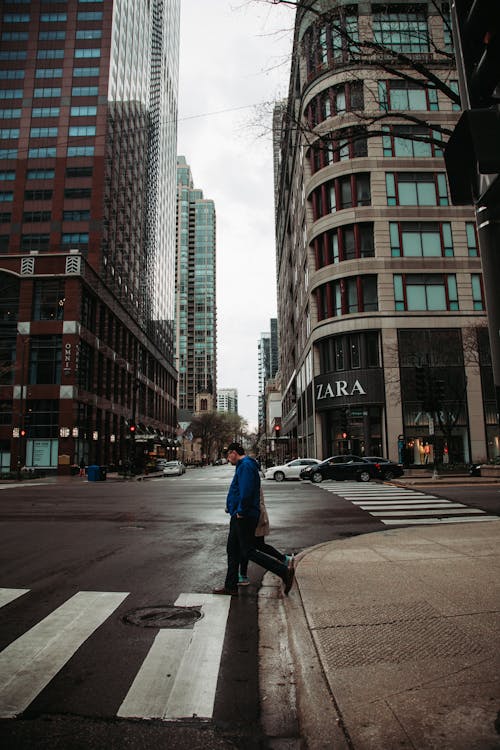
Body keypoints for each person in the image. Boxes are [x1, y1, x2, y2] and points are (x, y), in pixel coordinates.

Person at [213, 442, 295, 596]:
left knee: (248, 551)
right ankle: (230, 586)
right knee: (233, 550)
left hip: (244, 516)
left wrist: (241, 511)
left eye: (227, 455)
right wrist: (231, 506)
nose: (227, 458)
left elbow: (247, 492)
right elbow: (239, 491)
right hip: (239, 514)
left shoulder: (245, 466)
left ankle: (284, 571)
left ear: (233, 452)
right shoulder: (243, 465)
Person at [238, 483, 292, 586]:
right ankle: (284, 559)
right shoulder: (251, 474)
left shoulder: (247, 471)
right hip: (258, 517)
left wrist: (240, 511)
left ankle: (243, 576)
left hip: (255, 519)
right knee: (256, 545)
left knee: (246, 548)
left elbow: (251, 499)